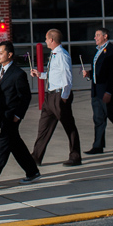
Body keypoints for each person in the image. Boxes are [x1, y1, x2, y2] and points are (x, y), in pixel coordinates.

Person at [0, 41, 41, 188]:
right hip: (1, 115)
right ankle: (32, 172)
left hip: (12, 116)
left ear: (10, 54)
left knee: (4, 142)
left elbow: (25, 97)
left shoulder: (18, 74)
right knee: (15, 144)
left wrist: (18, 115)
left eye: (1, 53)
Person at [30, 29, 82, 166]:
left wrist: (64, 96)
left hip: (59, 96)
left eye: (47, 39)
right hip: (50, 96)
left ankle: (75, 156)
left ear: (52, 40)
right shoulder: (54, 55)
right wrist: (40, 75)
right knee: (43, 127)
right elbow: (53, 75)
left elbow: (67, 77)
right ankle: (36, 156)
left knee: (69, 126)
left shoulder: (62, 55)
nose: (46, 41)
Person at [82, 28, 113, 155]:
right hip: (96, 91)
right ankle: (98, 146)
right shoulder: (97, 52)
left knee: (112, 115)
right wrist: (89, 74)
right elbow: (99, 72)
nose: (95, 38)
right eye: (95, 35)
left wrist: (109, 92)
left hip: (106, 91)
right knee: (98, 118)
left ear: (105, 36)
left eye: (97, 35)